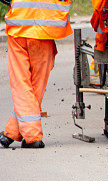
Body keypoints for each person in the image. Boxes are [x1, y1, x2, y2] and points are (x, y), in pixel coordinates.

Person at [0, 0, 72, 148]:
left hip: (19, 26)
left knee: (22, 84)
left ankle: (26, 134)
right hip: (45, 29)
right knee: (36, 86)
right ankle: (14, 133)